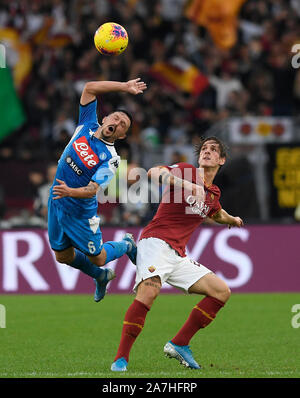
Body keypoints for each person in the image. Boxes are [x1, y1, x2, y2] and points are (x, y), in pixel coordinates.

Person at [111, 136, 244, 371]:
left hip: (178, 255)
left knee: (221, 292)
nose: (207, 152)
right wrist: (186, 184)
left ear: (221, 160)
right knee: (149, 292)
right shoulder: (185, 171)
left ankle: (180, 343)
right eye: (204, 148)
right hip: (155, 241)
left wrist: (232, 219)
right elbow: (153, 172)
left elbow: (216, 213)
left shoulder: (213, 193)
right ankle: (121, 358)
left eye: (214, 150)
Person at [48, 78, 147, 302]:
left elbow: (92, 189)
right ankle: (101, 277)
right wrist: (124, 87)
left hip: (80, 212)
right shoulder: (86, 124)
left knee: (99, 257)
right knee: (62, 256)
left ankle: (127, 244)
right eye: (116, 117)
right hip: (57, 200)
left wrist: (70, 192)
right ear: (105, 118)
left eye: (123, 125)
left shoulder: (111, 160)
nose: (118, 122)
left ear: (121, 136)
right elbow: (89, 88)